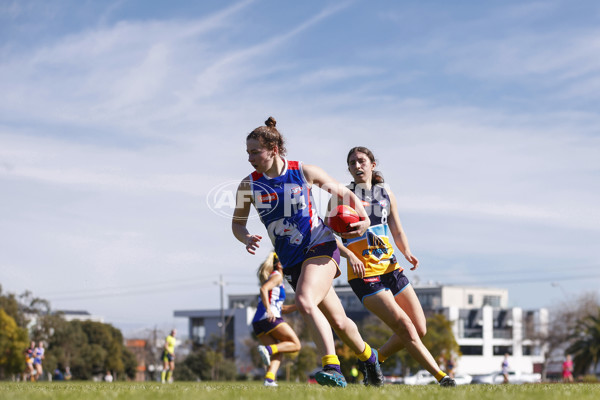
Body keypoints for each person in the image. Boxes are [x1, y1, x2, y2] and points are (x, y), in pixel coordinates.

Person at [232, 117, 384, 388]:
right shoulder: (248, 186)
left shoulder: (302, 171)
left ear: (274, 150)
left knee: (304, 301)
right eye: (248, 153)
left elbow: (342, 192)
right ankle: (369, 357)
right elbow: (237, 223)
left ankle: (332, 367)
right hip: (292, 262)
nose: (250, 158)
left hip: (321, 246)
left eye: (255, 152)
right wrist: (245, 237)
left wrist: (362, 218)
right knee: (338, 321)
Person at [333, 146, 456, 387]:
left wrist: (407, 251)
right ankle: (442, 378)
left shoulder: (385, 193)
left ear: (372, 164)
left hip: (391, 269)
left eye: (361, 161)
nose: (357, 166)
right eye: (352, 163)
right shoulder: (341, 196)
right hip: (365, 275)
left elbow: (397, 229)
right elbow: (326, 235)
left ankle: (374, 359)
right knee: (405, 326)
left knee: (420, 328)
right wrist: (349, 256)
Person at [252, 251, 301, 387]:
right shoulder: (277, 276)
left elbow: (282, 308)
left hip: (258, 321)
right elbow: (263, 289)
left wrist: (300, 305)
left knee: (278, 350)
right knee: (295, 344)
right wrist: (268, 310)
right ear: (279, 264)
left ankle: (269, 380)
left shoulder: (274, 278)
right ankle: (267, 350)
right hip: (269, 317)